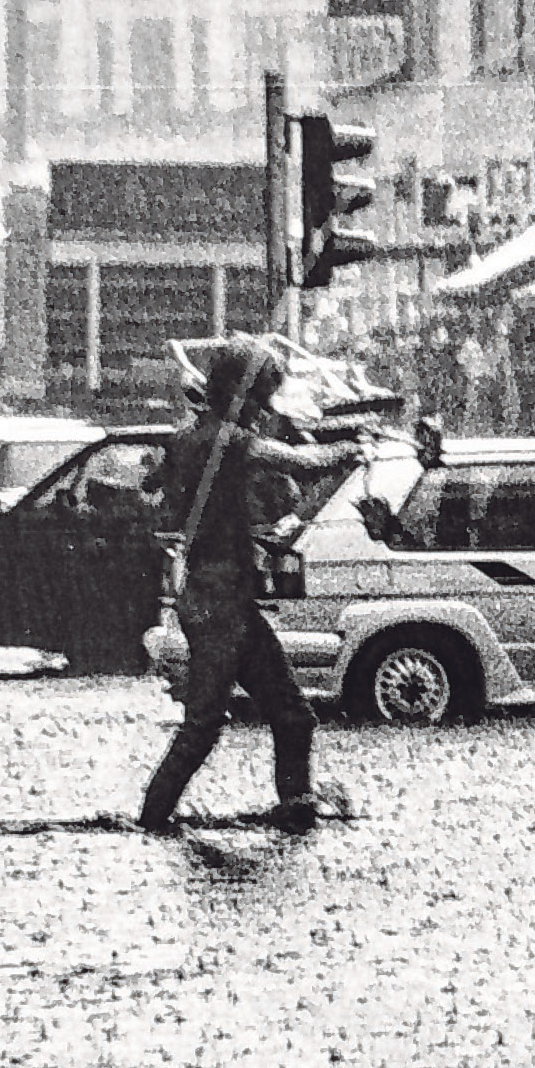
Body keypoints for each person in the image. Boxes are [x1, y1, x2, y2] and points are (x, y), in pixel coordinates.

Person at [137, 338, 371, 836]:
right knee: (203, 726)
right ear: (244, 394)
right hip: (220, 603)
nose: (266, 410)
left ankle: (296, 807)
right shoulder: (229, 442)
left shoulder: (188, 438)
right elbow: (298, 463)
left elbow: (159, 485)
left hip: (222, 601)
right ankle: (150, 821)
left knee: (292, 715)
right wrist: (351, 448)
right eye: (263, 397)